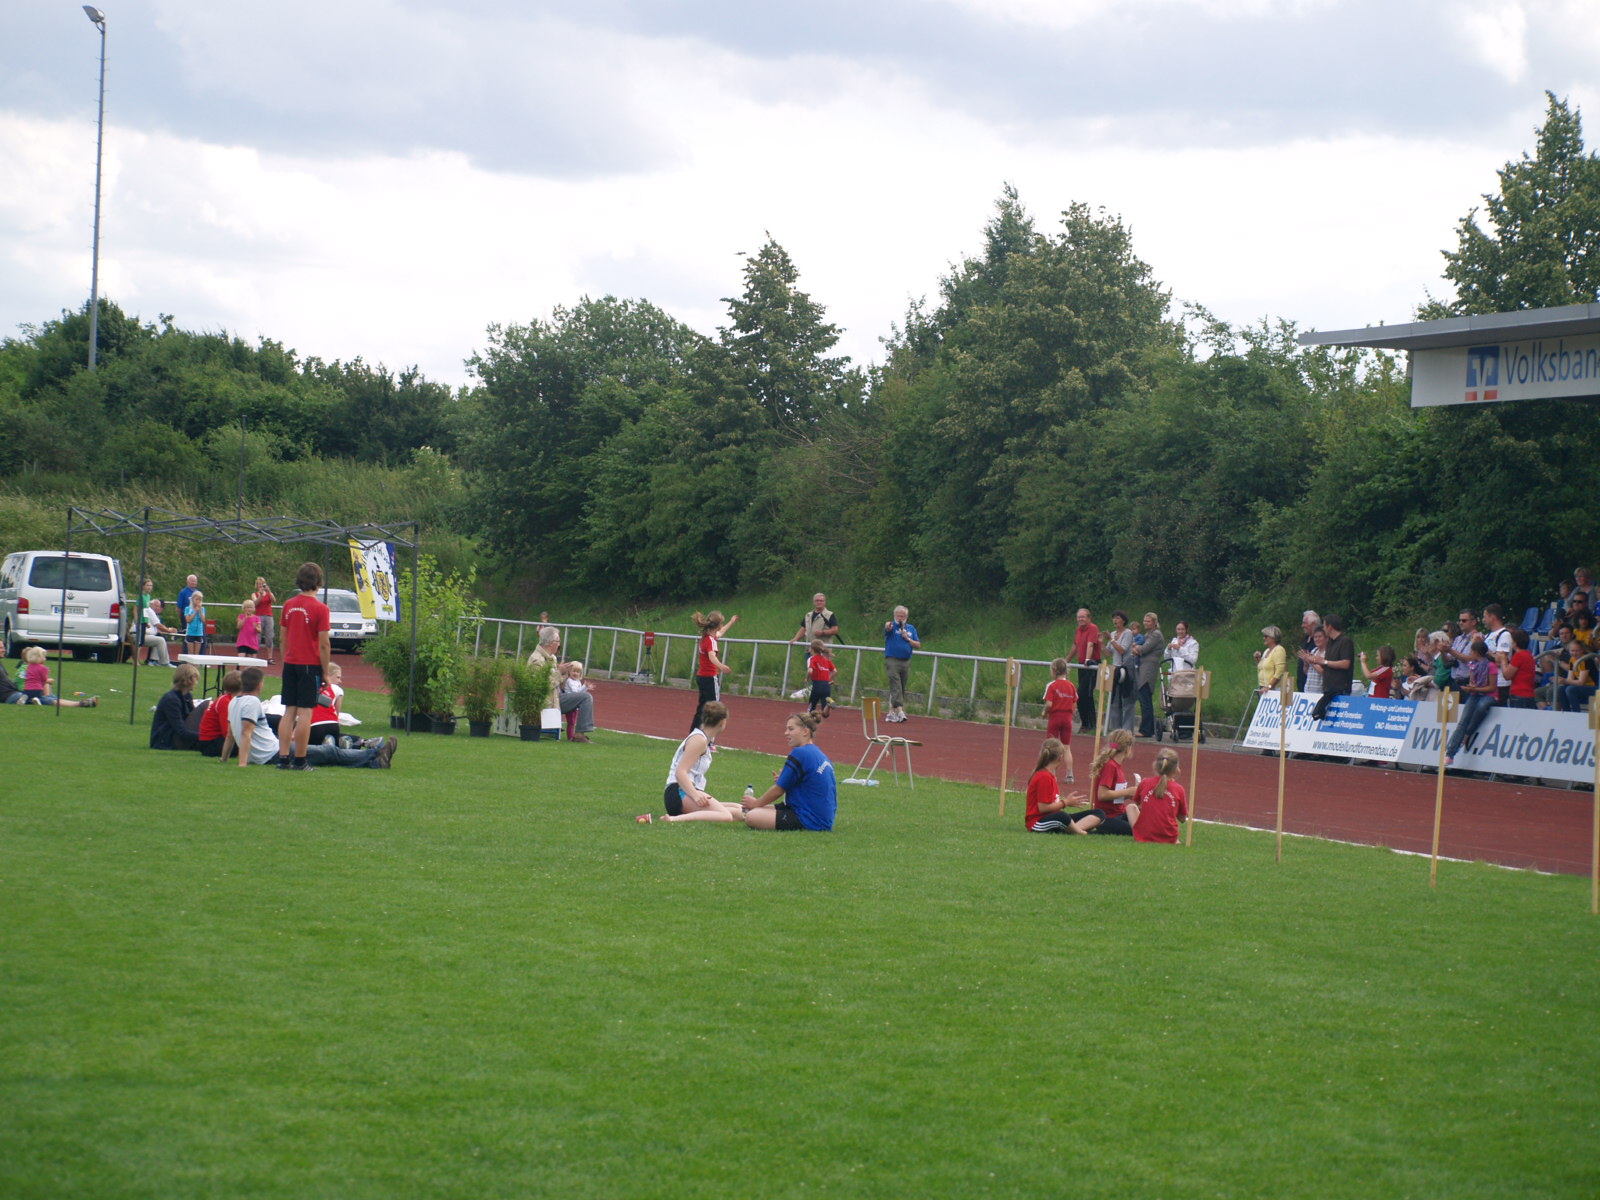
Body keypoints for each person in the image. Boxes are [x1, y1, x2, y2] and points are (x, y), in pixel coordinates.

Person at [226, 666, 396, 769]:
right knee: (328, 752)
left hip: (271, 750)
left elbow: (230, 735)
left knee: (325, 755)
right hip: (272, 753)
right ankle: (375, 754)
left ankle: (375, 761)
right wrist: (242, 763)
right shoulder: (252, 702)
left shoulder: (233, 702)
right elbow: (246, 733)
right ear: (259, 684)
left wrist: (224, 758)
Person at [638, 702, 746, 824]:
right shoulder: (699, 740)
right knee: (726, 816)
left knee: (739, 809)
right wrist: (695, 795)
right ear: (723, 722)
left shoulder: (702, 739)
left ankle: (685, 814)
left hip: (685, 791)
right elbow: (680, 772)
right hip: (679, 792)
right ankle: (673, 819)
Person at [741, 712, 837, 831]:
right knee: (751, 810)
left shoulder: (800, 753)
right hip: (821, 817)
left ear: (805, 731)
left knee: (752, 816)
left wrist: (756, 803)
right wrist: (785, 780)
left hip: (809, 818)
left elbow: (778, 790)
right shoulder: (820, 754)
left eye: (791, 729)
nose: (786, 733)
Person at [278, 562, 332, 770]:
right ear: (318, 582)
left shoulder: (289, 605)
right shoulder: (321, 608)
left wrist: (285, 659)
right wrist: (326, 672)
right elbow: (324, 643)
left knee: (289, 711)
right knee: (305, 712)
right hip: (309, 664)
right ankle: (300, 759)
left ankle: (283, 758)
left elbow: (282, 638)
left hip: (290, 662)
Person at [1064, 728, 1140, 835]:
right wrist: (1127, 792)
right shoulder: (1110, 766)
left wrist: (1128, 795)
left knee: (1142, 817)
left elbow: (1115, 794)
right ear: (1128, 749)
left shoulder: (1117, 766)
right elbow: (1102, 794)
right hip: (1108, 817)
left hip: (1118, 813)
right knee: (1132, 829)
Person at [528, 626, 596, 742]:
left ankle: (579, 734)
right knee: (586, 697)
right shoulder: (537, 660)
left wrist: (565, 674)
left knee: (586, 697)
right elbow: (540, 686)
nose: (559, 644)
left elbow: (556, 682)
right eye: (558, 641)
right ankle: (579, 735)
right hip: (546, 701)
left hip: (555, 698)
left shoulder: (551, 658)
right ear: (551, 643)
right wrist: (559, 672)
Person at [1445, 639, 1497, 765]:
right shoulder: (1473, 665)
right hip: (1475, 694)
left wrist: (1474, 689)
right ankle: (1450, 753)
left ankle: (1468, 733)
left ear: (1476, 652)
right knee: (1463, 720)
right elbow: (1472, 683)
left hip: (1488, 695)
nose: (1470, 654)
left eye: (1471, 652)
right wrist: (1471, 688)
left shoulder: (1491, 666)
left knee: (1481, 707)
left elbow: (1492, 687)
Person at [1023, 739, 1090, 834]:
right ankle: (1081, 833)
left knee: (1098, 813)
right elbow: (1043, 808)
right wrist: (1065, 802)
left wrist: (1065, 802)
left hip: (1051, 816)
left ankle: (1071, 828)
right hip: (1038, 822)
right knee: (1062, 816)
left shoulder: (1049, 775)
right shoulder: (1044, 776)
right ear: (1060, 758)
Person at [690, 610, 738, 732]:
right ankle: (710, 737)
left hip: (701, 677)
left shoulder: (706, 637)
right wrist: (721, 666)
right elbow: (712, 656)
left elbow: (720, 633)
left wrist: (731, 622)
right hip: (710, 677)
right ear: (718, 625)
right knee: (716, 709)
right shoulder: (711, 641)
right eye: (722, 623)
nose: (722, 626)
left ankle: (693, 732)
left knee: (702, 707)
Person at [1131, 747, 1189, 844]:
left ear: (1155, 766)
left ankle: (1143, 830)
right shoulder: (1179, 789)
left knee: (1131, 807)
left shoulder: (1145, 783)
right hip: (1169, 836)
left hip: (1144, 835)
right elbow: (1182, 819)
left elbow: (1137, 803)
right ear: (1177, 770)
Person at [1303, 614, 1353, 723]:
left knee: (1339, 720)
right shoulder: (1330, 643)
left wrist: (1324, 662)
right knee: (1319, 715)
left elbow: (1345, 663)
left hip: (1341, 688)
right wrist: (1314, 661)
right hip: (1329, 688)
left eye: (1324, 626)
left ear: (1330, 627)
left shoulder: (1345, 641)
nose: (1324, 628)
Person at [1040, 658, 1078, 783]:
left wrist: (1045, 713)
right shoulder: (1071, 685)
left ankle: (1052, 773)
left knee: (1051, 746)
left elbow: (1049, 704)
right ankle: (1070, 774)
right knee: (1067, 747)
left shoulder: (1052, 685)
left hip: (1055, 717)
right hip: (1067, 718)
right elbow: (1074, 703)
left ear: (1054, 671)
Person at [19, 646, 97, 706]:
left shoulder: (29, 667)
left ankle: (27, 699)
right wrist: (49, 680)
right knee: (46, 698)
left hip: (27, 689)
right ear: (39, 658)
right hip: (38, 689)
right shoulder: (43, 668)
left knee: (34, 696)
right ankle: (38, 700)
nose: (45, 659)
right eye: (44, 657)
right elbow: (44, 680)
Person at [882, 605, 920, 723]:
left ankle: (891, 713)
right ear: (895, 616)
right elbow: (887, 629)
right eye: (898, 616)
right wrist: (888, 626)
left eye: (902, 616)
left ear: (906, 617)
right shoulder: (892, 627)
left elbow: (918, 644)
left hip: (906, 660)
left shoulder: (911, 628)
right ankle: (900, 710)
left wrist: (907, 638)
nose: (900, 618)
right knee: (896, 683)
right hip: (892, 659)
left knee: (901, 686)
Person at [149, 663, 201, 748]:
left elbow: (191, 717)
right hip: (165, 740)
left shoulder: (187, 696)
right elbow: (181, 731)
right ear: (189, 680)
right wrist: (205, 736)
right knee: (206, 705)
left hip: (175, 736)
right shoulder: (172, 700)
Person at [1131, 612, 1166, 737]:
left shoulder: (1156, 634)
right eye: (1145, 621)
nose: (1145, 623)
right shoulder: (1147, 635)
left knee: (1145, 697)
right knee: (1143, 698)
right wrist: (1137, 648)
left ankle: (1146, 729)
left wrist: (1135, 647)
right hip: (1143, 667)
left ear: (1155, 622)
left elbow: (1143, 649)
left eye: (1148, 621)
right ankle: (1147, 728)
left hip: (1149, 668)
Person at [1103, 611, 1136, 733]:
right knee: (1114, 700)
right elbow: (1108, 653)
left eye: (1117, 618)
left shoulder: (1127, 633)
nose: (1115, 620)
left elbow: (1122, 650)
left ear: (1123, 620)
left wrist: (1111, 640)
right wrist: (1101, 644)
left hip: (1126, 668)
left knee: (1127, 700)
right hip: (1115, 669)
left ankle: (1127, 730)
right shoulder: (1113, 634)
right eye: (1114, 618)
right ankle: (1116, 730)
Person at [196, 670, 243, 757]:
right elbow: (226, 731)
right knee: (247, 743)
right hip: (210, 743)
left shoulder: (228, 700)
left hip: (213, 741)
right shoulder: (225, 702)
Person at [1072, 608, 1101, 735]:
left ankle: (1088, 723)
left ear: (1089, 618)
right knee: (1085, 695)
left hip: (1091, 664)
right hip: (1082, 665)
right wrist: (1066, 660)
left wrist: (1087, 660)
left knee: (1083, 693)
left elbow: (1090, 644)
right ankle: (1088, 723)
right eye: (1079, 617)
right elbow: (1075, 646)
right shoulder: (1079, 630)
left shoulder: (1093, 628)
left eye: (1083, 617)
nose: (1080, 619)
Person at [1482, 603, 1513, 703]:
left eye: (1485, 617)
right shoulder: (1487, 636)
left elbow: (1500, 660)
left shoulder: (1504, 635)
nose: (1483, 620)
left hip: (1499, 683)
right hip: (1487, 681)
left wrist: (1484, 648)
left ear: (1492, 617)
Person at [1501, 627, 1538, 709]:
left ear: (1515, 642)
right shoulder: (1529, 655)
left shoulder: (1518, 656)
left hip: (1519, 694)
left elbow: (1507, 675)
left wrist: (1503, 660)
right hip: (1529, 693)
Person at [139, 597, 179, 667]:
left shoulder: (150, 612)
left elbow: (156, 627)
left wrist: (167, 630)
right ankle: (164, 662)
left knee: (158, 638)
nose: (158, 608)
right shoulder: (150, 611)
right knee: (161, 640)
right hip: (141, 635)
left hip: (145, 635)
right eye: (156, 606)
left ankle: (153, 660)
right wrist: (169, 631)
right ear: (151, 605)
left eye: (159, 606)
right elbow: (159, 625)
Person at [806, 638, 836, 719]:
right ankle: (828, 705)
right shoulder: (826, 660)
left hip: (817, 685)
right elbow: (835, 671)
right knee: (825, 714)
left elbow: (810, 671)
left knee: (811, 707)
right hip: (827, 686)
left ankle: (808, 722)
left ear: (812, 649)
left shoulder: (812, 659)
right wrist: (829, 679)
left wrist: (807, 678)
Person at [1294, 610, 1321, 692]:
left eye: (1305, 623)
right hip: (1304, 684)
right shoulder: (1307, 638)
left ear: (1313, 624)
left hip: (1316, 686)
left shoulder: (1320, 643)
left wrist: (1309, 659)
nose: (1302, 626)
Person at [1255, 626, 1287, 693]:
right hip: (1263, 687)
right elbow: (1262, 668)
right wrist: (1257, 659)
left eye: (1266, 636)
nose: (1264, 638)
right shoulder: (1266, 651)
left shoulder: (1279, 650)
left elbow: (1280, 671)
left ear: (1273, 638)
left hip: (1275, 689)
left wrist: (1269, 686)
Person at [253, 577, 276, 665]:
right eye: (259, 584)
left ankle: (270, 657)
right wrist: (260, 595)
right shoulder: (254, 594)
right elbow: (255, 603)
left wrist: (268, 591)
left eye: (262, 584)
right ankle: (255, 656)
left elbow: (274, 600)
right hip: (258, 616)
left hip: (268, 616)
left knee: (269, 637)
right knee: (257, 637)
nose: (261, 585)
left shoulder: (268, 594)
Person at [183, 590, 207, 657]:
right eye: (196, 599)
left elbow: (203, 620)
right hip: (190, 633)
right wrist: (195, 612)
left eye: (200, 600)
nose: (198, 601)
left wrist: (200, 611)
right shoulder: (188, 609)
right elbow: (188, 620)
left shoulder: (202, 609)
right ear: (192, 599)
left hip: (198, 633)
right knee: (190, 653)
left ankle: (196, 664)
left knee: (197, 654)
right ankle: (189, 664)